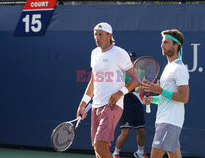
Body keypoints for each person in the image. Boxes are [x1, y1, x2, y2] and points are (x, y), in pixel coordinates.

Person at [76, 22, 138, 158]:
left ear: (109, 36)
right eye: (95, 35)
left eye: (101, 35)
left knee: (100, 145)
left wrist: (120, 92)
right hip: (96, 106)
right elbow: (93, 80)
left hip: (112, 105)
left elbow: (135, 79)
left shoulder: (119, 53)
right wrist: (83, 104)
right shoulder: (94, 54)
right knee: (97, 149)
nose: (97, 38)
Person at [142, 29, 190, 158]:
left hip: (170, 120)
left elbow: (184, 98)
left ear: (176, 45)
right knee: (174, 155)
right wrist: (153, 99)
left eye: (166, 42)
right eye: (162, 42)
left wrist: (160, 90)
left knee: (155, 154)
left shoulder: (179, 69)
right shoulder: (168, 67)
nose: (162, 45)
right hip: (164, 119)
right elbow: (166, 96)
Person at [113, 51, 147, 158]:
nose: (132, 62)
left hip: (138, 105)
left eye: (134, 60)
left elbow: (143, 87)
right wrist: (134, 90)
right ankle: (116, 154)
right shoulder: (121, 72)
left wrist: (143, 89)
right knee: (125, 132)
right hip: (126, 104)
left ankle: (140, 153)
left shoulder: (141, 72)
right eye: (130, 60)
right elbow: (120, 90)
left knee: (141, 131)